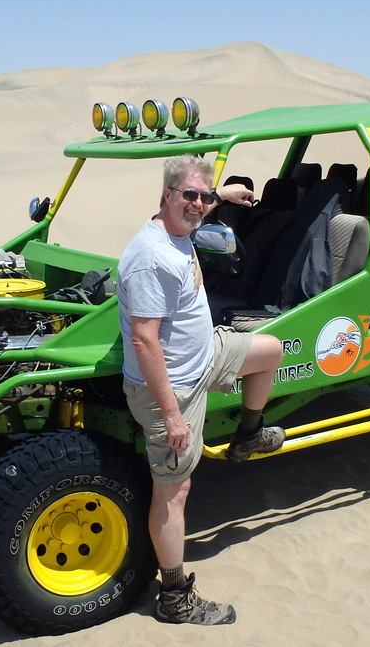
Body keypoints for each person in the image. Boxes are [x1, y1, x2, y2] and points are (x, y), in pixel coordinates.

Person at [118, 155, 285, 625]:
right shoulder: (152, 258)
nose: (197, 204)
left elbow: (198, 208)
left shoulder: (179, 227)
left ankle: (248, 434)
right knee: (174, 489)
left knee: (270, 350)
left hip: (205, 353)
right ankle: (173, 597)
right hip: (171, 386)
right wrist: (172, 415)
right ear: (165, 195)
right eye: (188, 195)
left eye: (204, 196)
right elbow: (144, 339)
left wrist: (225, 196)